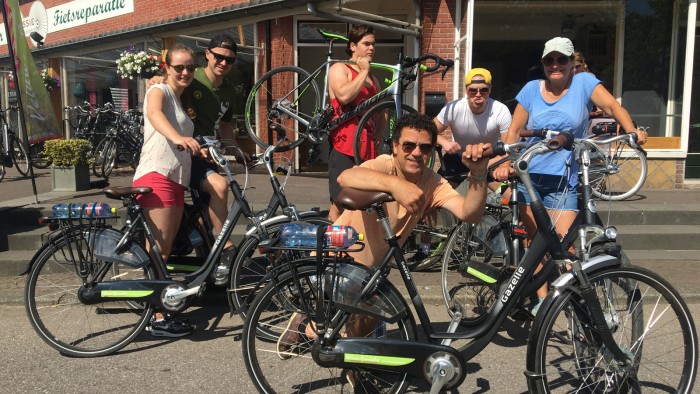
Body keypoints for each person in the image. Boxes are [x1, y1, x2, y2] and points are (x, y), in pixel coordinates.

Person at [277, 113, 491, 362]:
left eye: (424, 147)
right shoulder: (384, 165)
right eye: (408, 145)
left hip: (371, 273)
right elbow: (345, 177)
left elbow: (470, 214)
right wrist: (394, 185)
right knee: (363, 332)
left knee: (368, 330)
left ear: (432, 150)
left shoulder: (432, 182)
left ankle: (315, 331)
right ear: (396, 147)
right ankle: (309, 330)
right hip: (336, 260)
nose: (416, 153)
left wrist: (478, 174)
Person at [492, 37, 647, 316]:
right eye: (549, 60)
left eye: (561, 60)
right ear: (543, 64)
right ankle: (541, 301)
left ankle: (568, 296)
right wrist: (510, 162)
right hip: (530, 175)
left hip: (563, 177)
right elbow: (514, 131)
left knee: (566, 244)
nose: (555, 65)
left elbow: (612, 106)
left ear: (570, 63)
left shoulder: (584, 83)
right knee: (534, 242)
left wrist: (632, 131)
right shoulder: (530, 90)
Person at [149, 34, 247, 274]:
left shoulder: (228, 91)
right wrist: (156, 80)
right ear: (208, 55)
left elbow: (225, 125)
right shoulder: (193, 77)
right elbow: (169, 85)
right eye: (219, 57)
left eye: (230, 60)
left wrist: (236, 150)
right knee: (219, 186)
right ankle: (224, 243)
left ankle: (208, 258)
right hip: (186, 150)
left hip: (207, 153)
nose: (223, 63)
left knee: (207, 207)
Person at [133, 43, 200, 337]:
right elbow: (154, 114)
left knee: (164, 250)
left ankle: (159, 309)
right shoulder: (158, 90)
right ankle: (157, 317)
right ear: (166, 68)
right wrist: (178, 137)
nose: (185, 72)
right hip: (156, 175)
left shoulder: (178, 98)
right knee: (158, 250)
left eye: (189, 67)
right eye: (179, 67)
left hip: (175, 180)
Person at [327, 24, 381, 221]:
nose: (371, 48)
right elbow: (344, 96)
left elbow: (380, 110)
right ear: (352, 46)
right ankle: (331, 251)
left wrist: (379, 134)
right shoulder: (339, 68)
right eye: (366, 44)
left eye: (373, 44)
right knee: (339, 204)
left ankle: (354, 250)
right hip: (344, 148)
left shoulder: (374, 79)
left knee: (364, 205)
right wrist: (363, 72)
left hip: (368, 150)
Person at [434, 67, 512, 195]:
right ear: (466, 90)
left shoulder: (500, 111)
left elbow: (508, 147)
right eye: (473, 90)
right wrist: (444, 142)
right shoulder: (454, 108)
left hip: (488, 160)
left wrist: (488, 166)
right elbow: (428, 131)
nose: (478, 94)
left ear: (490, 89)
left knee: (508, 195)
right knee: (436, 195)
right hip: (458, 159)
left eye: (484, 90)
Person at [573, 50, 604, 118]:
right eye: (572, 67)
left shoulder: (590, 78)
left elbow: (598, 97)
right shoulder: (565, 79)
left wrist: (599, 109)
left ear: (583, 64)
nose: (575, 70)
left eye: (577, 66)